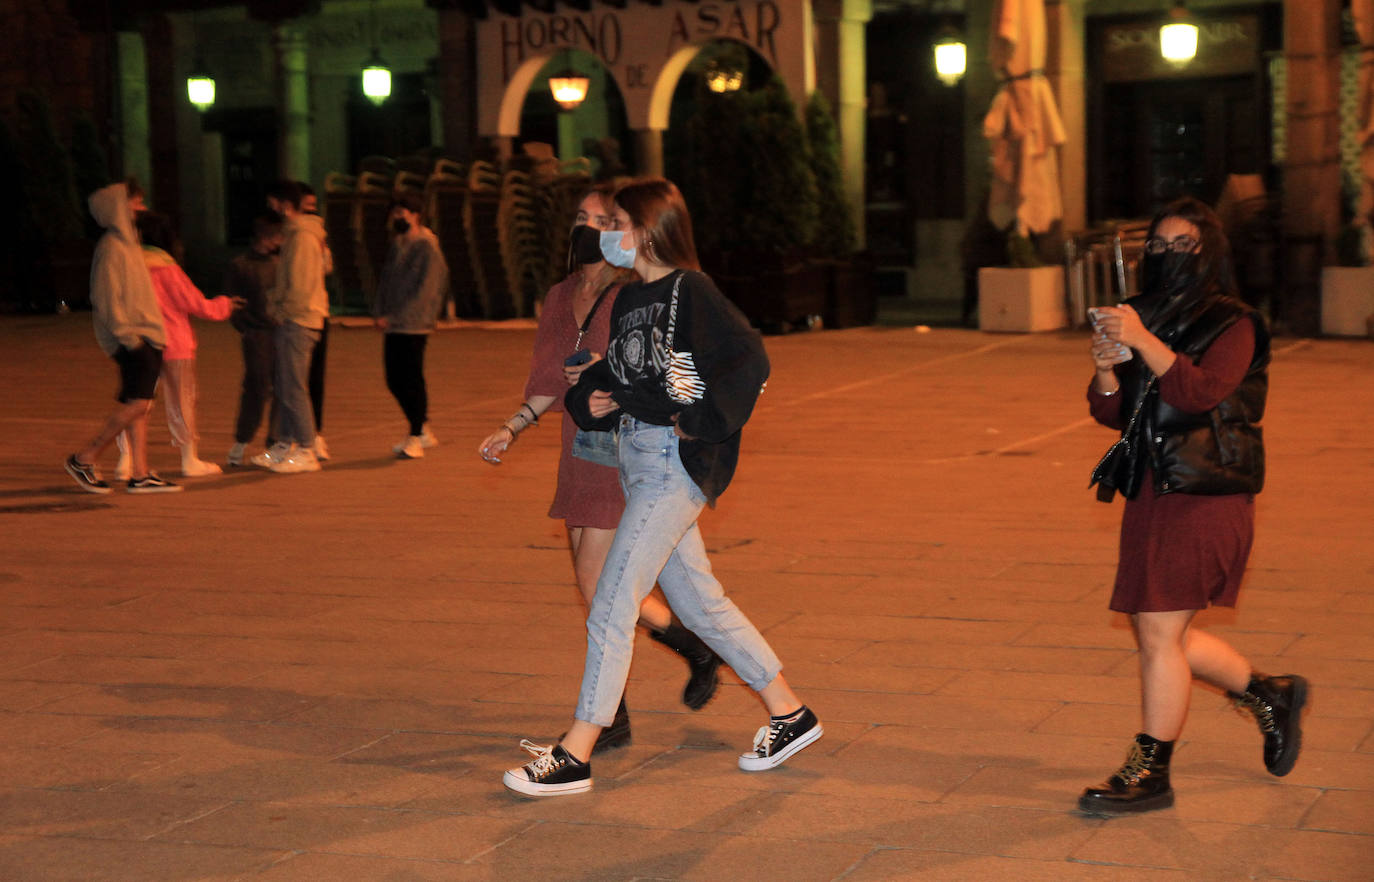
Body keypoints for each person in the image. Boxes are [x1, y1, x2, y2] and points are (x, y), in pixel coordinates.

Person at [501, 178, 821, 797]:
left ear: (646, 231)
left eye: (617, 222)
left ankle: (576, 751)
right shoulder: (627, 301)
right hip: (635, 460)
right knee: (701, 604)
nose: (606, 235)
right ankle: (790, 713)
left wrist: (698, 422)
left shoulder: (689, 290)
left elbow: (748, 361)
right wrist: (590, 395)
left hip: (673, 468)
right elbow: (622, 377)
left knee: (612, 602)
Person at [1079, 197, 1307, 816]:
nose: (1169, 256)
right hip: (1152, 489)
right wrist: (1105, 369)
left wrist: (1143, 339)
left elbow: (1200, 392)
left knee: (1157, 630)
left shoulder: (1236, 323)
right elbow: (1113, 410)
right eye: (1159, 245)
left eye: (1185, 246)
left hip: (1209, 493)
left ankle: (1151, 769)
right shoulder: (1143, 313)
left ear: (1210, 252)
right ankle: (1268, 692)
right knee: (1159, 629)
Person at [480, 183, 724, 757]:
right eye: (581, 217)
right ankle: (676, 660)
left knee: (600, 588)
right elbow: (545, 380)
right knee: (596, 591)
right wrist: (512, 427)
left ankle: (626, 701)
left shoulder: (631, 295)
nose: (588, 227)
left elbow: (658, 365)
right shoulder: (560, 295)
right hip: (576, 451)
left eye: (600, 218)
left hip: (622, 449)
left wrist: (604, 368)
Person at [64, 182, 181, 494]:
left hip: (144, 335)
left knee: (138, 405)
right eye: (134, 203)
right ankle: (84, 458)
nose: (140, 209)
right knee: (138, 404)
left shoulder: (129, 242)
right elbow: (105, 298)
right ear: (118, 207)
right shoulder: (112, 247)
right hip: (133, 338)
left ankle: (140, 474)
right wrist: (130, 339)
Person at [114, 212, 238, 478]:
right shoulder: (167, 268)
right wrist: (225, 305)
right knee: (182, 402)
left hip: (138, 343)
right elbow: (195, 304)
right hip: (174, 344)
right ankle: (188, 459)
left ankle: (125, 460)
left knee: (137, 401)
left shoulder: (127, 268)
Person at [252, 180, 329, 474]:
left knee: (294, 386)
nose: (271, 209)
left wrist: (280, 310)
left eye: (273, 203)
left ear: (285, 205)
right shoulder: (297, 235)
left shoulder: (302, 238)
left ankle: (307, 448)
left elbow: (299, 285)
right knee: (285, 385)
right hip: (297, 318)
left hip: (299, 320)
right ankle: (285, 444)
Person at [372, 191, 449, 458]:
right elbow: (385, 281)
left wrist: (394, 316)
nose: (395, 217)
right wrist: (380, 310)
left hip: (414, 324)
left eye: (400, 212)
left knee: (411, 377)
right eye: (393, 212)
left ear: (415, 215)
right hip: (395, 322)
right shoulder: (398, 244)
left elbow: (426, 290)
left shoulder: (427, 246)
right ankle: (421, 426)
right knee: (393, 379)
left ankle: (416, 435)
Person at [226, 212, 284, 467]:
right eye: (276, 236)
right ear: (264, 237)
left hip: (281, 331)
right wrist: (244, 327)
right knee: (257, 386)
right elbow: (232, 301)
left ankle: (275, 442)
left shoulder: (281, 262)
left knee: (283, 386)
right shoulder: (241, 265)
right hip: (257, 332)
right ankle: (242, 439)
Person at [298, 182, 332, 461]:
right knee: (290, 383)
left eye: (313, 207)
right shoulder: (291, 236)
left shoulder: (313, 236)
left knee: (312, 378)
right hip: (295, 315)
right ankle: (290, 438)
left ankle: (314, 435)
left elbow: (327, 267)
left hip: (314, 313)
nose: (312, 213)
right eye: (306, 207)